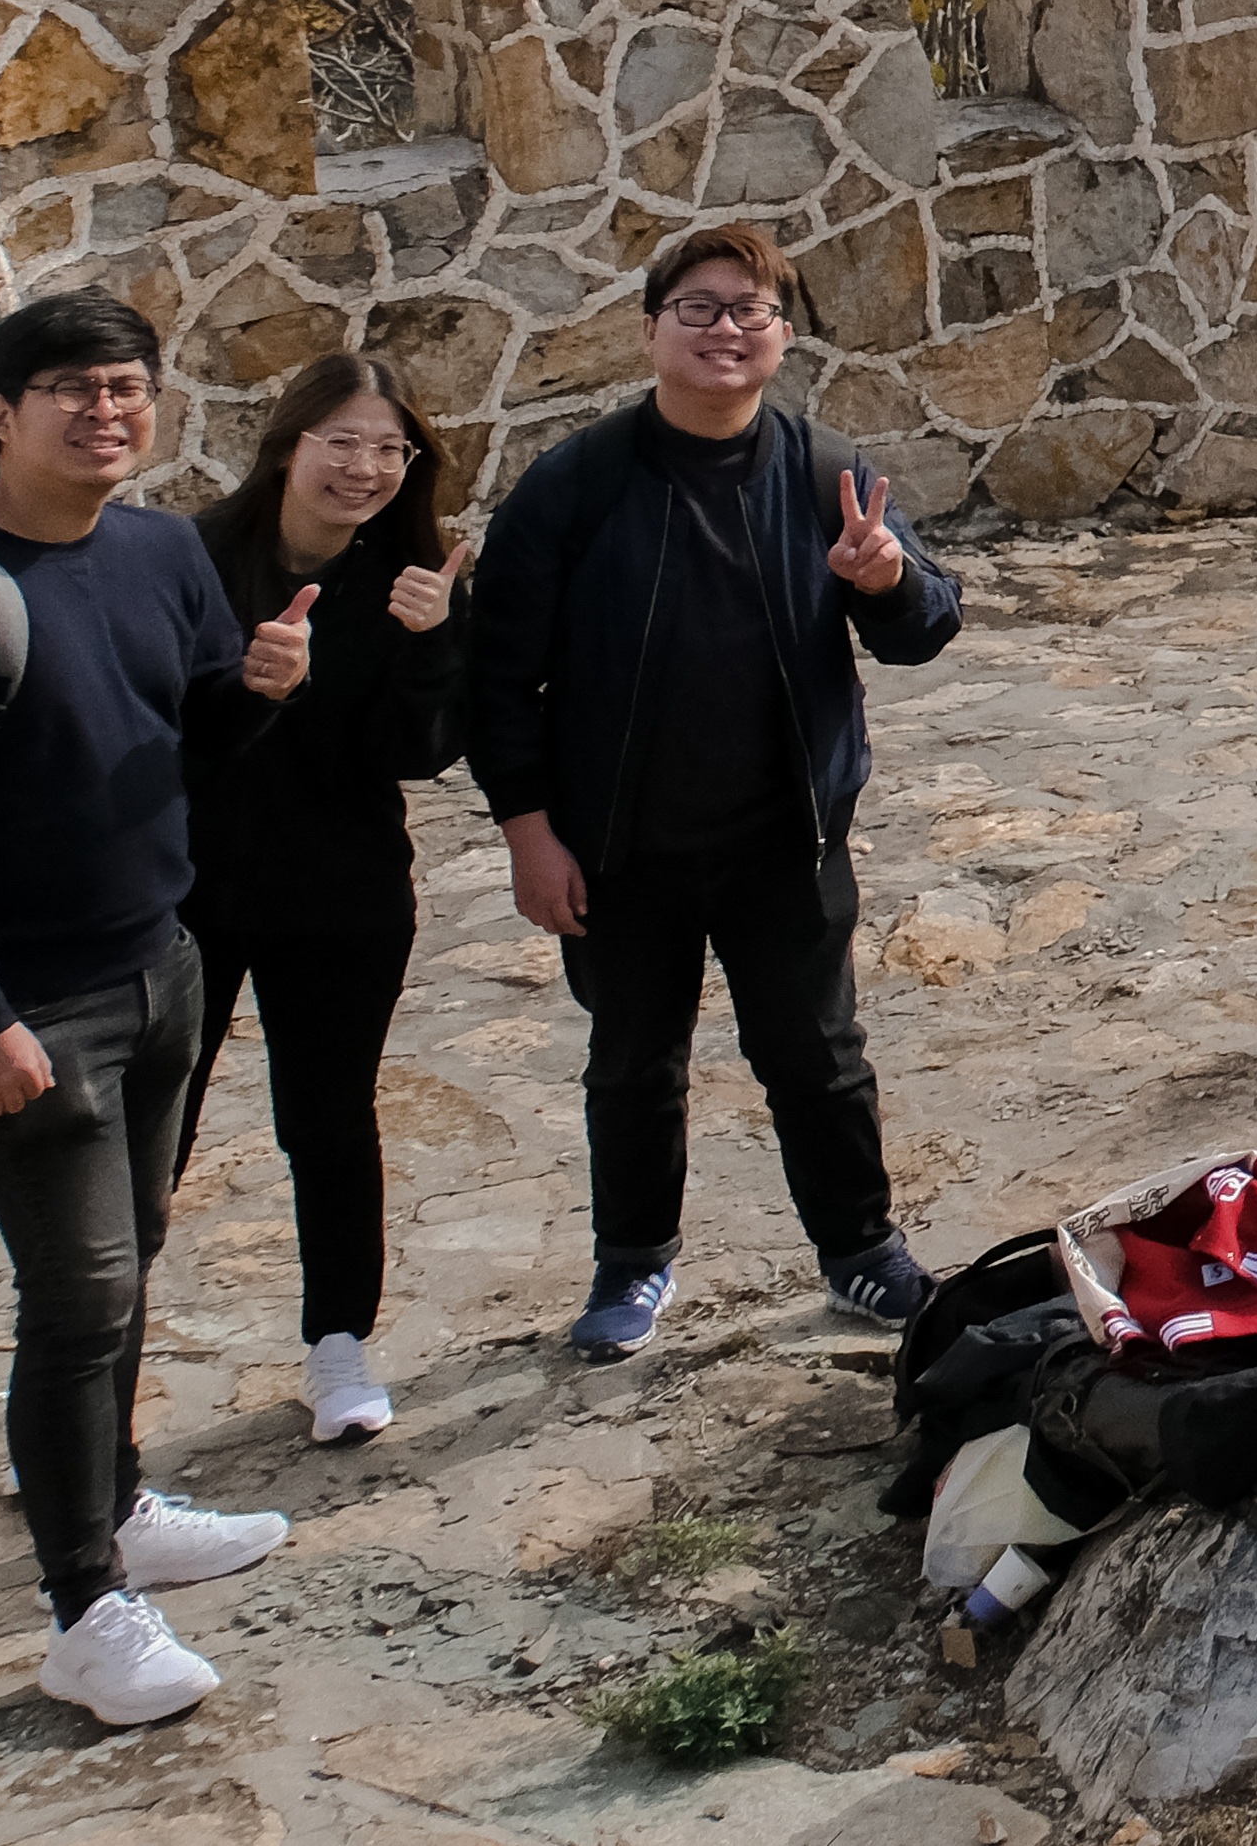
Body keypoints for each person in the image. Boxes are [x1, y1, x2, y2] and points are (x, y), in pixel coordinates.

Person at [0, 292, 320, 1727]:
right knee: (80, 1292)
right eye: (68, 388)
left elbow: (183, 737)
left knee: (138, 1248)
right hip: (21, 1006)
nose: (104, 410)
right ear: (1, 411)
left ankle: (117, 1502)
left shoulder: (162, 548)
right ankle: (82, 1606)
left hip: (154, 965)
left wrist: (263, 688)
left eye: (127, 386)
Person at [465, 222, 964, 1361]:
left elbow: (927, 621)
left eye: (751, 308)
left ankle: (861, 1251)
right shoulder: (574, 485)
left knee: (818, 1055)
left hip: (783, 837)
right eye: (698, 306)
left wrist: (885, 578)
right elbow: (499, 676)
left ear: (783, 336)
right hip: (620, 844)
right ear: (650, 329)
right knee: (635, 1061)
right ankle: (632, 1262)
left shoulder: (823, 465)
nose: (724, 328)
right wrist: (528, 833)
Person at [183, 353, 470, 1449]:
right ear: (288, 440)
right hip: (191, 893)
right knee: (151, 1132)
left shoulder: (413, 578)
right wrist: (248, 684)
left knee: (329, 1118)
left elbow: (420, 751)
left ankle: (339, 1343)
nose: (364, 466)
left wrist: (432, 637)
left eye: (390, 448)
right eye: (341, 439)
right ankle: (92, 1368)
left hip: (341, 890)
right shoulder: (192, 558)